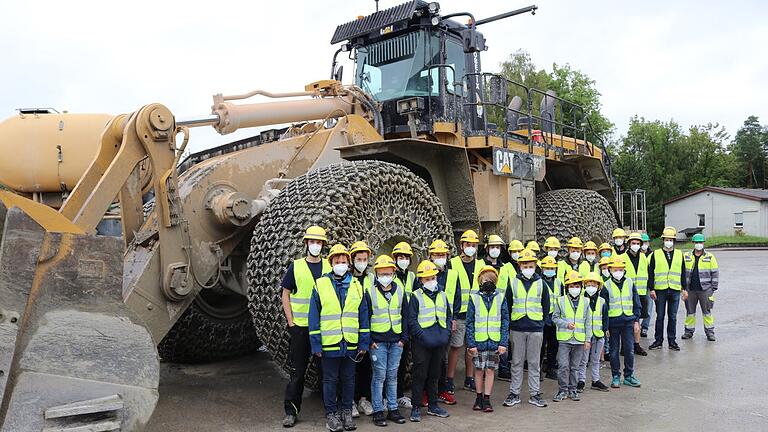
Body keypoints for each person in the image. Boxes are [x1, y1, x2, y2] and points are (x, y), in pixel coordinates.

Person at [309, 244, 370, 432]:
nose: (341, 264)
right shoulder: (320, 284)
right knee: (330, 380)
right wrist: (316, 345)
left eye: (344, 262)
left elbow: (363, 315)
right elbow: (313, 317)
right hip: (330, 344)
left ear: (348, 263)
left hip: (350, 343)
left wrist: (363, 342)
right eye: (337, 262)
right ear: (331, 263)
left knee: (349, 379)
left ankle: (346, 412)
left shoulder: (356, 286)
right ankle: (331, 415)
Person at [281, 226, 331, 428]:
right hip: (301, 329)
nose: (315, 245)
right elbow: (285, 293)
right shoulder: (297, 266)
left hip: (324, 329)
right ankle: (291, 411)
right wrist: (291, 323)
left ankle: (331, 410)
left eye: (319, 242)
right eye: (312, 242)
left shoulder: (329, 266)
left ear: (323, 245)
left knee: (327, 372)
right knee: (297, 372)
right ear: (306, 244)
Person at [503, 248, 549, 408]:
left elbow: (546, 305)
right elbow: (507, 305)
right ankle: (514, 393)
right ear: (519, 265)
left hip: (536, 328)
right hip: (517, 328)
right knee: (516, 362)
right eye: (524, 265)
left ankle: (535, 394)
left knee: (535, 363)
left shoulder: (541, 284)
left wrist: (542, 324)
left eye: (530, 265)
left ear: (535, 265)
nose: (527, 268)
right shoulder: (513, 283)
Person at [366, 255, 408, 427]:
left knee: (392, 376)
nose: (385, 276)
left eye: (388, 273)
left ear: (393, 273)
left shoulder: (400, 290)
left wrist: (404, 338)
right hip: (378, 342)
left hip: (396, 341)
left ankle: (392, 409)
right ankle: (378, 410)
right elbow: (364, 318)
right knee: (379, 377)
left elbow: (405, 315)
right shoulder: (370, 292)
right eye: (382, 273)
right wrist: (369, 340)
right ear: (376, 274)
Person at [408, 260, 452, 422]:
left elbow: (448, 316)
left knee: (435, 374)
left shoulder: (442, 294)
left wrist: (446, 334)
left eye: (432, 277)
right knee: (420, 375)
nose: (430, 281)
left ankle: (433, 405)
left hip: (439, 341)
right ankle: (416, 407)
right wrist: (423, 337)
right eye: (426, 279)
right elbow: (411, 321)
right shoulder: (415, 296)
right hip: (422, 342)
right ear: (420, 280)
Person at [446, 230, 485, 394]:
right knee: (455, 347)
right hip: (459, 314)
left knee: (471, 348)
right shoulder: (452, 263)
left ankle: (469, 379)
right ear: (462, 246)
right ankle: (449, 379)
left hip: (475, 314)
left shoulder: (481, 265)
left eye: (473, 245)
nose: (470, 247)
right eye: (468, 244)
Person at [467, 266, 510, 413]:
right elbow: (470, 322)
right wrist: (471, 343)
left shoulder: (501, 297)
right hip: (479, 342)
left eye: (491, 280)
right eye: (485, 279)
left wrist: (503, 342)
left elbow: (505, 321)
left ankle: (487, 399)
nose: (488, 282)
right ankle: (478, 397)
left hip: (494, 342)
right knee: (478, 370)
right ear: (480, 281)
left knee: (490, 370)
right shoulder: (474, 298)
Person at [601, 255, 642, 389]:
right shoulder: (606, 286)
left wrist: (636, 320)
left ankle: (629, 376)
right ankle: (616, 376)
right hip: (613, 323)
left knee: (629, 350)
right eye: (615, 269)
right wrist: (605, 326)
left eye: (620, 269)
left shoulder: (630, 282)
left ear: (624, 270)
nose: (618, 271)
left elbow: (636, 303)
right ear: (610, 269)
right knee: (613, 351)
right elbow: (604, 308)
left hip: (628, 322)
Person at [552, 270, 592, 402]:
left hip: (579, 340)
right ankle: (562, 390)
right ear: (567, 287)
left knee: (575, 367)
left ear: (581, 287)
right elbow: (555, 318)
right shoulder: (560, 300)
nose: (574, 289)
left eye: (577, 286)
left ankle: (573, 389)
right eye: (571, 286)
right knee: (563, 366)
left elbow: (588, 322)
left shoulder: (586, 302)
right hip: (565, 339)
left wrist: (587, 339)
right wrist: (566, 325)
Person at [427, 239, 458, 406]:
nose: (440, 257)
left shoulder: (452, 275)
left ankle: (442, 390)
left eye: (442, 254)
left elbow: (457, 297)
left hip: (444, 324)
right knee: (427, 361)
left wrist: (453, 319)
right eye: (436, 254)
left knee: (442, 360)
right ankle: (427, 392)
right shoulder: (426, 273)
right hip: (428, 324)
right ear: (430, 256)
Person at [648, 227, 688, 351]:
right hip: (660, 290)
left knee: (673, 316)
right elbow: (651, 273)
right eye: (667, 239)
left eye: (671, 239)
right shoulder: (656, 254)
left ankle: (672, 341)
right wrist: (652, 289)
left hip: (675, 289)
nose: (669, 242)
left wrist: (684, 289)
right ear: (663, 240)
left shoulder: (679, 255)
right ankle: (658, 340)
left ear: (674, 241)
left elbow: (682, 272)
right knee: (660, 316)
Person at [349, 241, 374, 417]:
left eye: (365, 259)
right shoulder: (347, 279)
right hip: (350, 329)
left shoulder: (371, 279)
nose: (362, 262)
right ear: (353, 259)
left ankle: (364, 399)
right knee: (350, 369)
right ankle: (349, 401)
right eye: (359, 258)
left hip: (368, 330)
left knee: (366, 366)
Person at [391, 241, 416, 409]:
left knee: (401, 364)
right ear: (395, 258)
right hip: (393, 325)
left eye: (406, 257)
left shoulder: (412, 277)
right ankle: (388, 397)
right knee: (390, 366)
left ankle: (399, 395)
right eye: (401, 257)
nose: (404, 260)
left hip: (407, 326)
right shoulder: (389, 276)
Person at [682, 233, 719, 342]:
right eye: (697, 242)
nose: (699, 244)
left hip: (705, 290)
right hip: (690, 289)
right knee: (690, 312)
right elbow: (682, 272)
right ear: (693, 243)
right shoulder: (686, 256)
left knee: (707, 312)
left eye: (700, 242)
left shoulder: (710, 257)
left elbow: (715, 273)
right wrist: (683, 288)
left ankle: (710, 332)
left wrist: (713, 288)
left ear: (703, 243)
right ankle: (688, 332)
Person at [578, 272, 610, 392]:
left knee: (596, 360)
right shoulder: (581, 300)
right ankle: (581, 380)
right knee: (583, 360)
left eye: (594, 284)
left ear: (598, 286)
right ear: (584, 285)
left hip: (598, 334)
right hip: (585, 335)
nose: (591, 286)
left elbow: (605, 317)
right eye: (588, 284)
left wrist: (605, 329)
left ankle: (595, 380)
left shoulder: (602, 301)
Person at [622, 232, 649, 357]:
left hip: (641, 292)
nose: (636, 245)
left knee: (637, 319)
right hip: (627, 294)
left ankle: (636, 344)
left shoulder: (644, 257)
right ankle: (625, 345)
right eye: (633, 243)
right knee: (627, 320)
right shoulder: (622, 257)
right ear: (628, 244)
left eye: (638, 243)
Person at [539, 256, 561, 381]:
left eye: (552, 268)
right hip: (542, 318)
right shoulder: (539, 283)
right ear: (542, 269)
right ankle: (539, 370)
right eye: (547, 268)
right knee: (540, 346)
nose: (549, 270)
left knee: (554, 345)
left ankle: (551, 368)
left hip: (555, 318)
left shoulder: (558, 283)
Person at [640, 233, 654, 337]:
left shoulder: (653, 255)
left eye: (646, 242)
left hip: (649, 286)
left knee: (648, 307)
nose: (644, 244)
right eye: (642, 242)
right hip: (638, 285)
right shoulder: (635, 255)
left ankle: (644, 327)